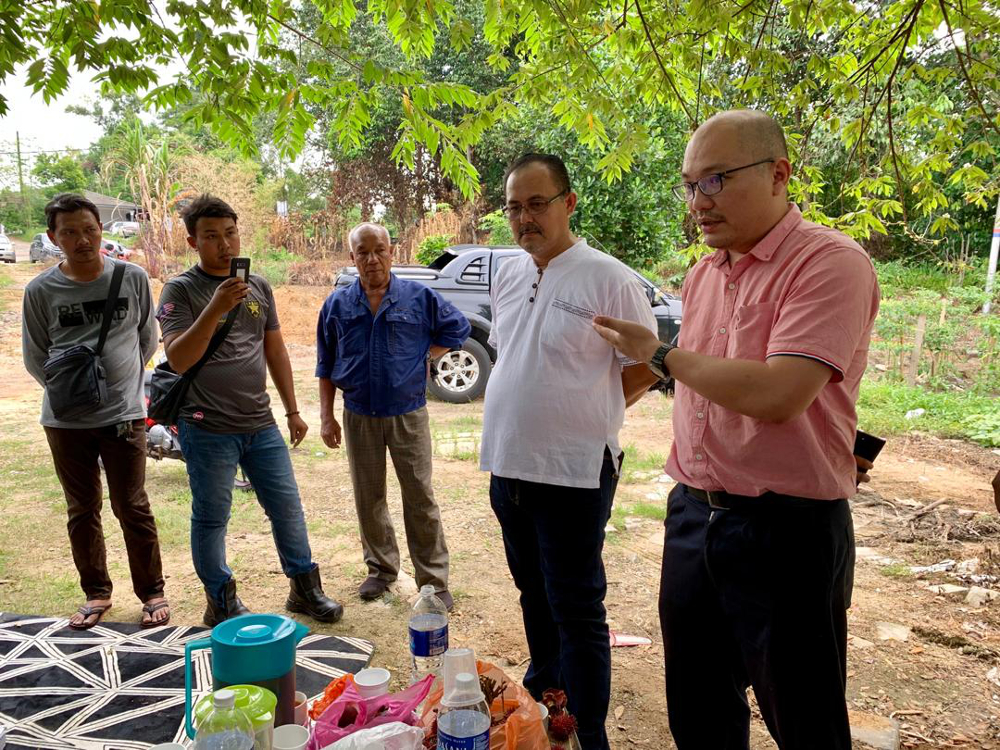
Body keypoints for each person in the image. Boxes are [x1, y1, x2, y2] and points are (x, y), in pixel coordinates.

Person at [592, 109, 880, 750]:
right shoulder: (704, 274)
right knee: (699, 712)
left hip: (788, 531)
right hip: (694, 516)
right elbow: (706, 383)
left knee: (804, 721)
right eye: (690, 184)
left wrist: (659, 354)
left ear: (779, 174)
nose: (698, 201)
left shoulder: (829, 262)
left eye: (716, 180)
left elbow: (779, 394)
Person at [479, 154, 660, 750]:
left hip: (574, 474)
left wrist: (591, 412)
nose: (524, 218)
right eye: (514, 207)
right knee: (533, 593)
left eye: (538, 204)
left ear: (569, 203)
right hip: (508, 466)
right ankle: (548, 697)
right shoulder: (507, 273)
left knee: (577, 608)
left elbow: (647, 365)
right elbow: (513, 354)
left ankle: (588, 732)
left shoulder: (609, 278)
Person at [157, 194, 343, 627]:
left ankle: (304, 587)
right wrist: (215, 307)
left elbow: (274, 349)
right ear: (192, 242)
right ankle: (220, 599)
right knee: (212, 516)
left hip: (260, 422)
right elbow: (178, 358)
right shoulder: (180, 290)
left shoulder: (258, 285)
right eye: (211, 236)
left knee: (287, 507)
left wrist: (293, 410)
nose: (224, 244)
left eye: (230, 233)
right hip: (206, 425)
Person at [22, 193, 169, 630]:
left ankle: (152, 591)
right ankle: (96, 592)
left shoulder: (131, 277)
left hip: (123, 415)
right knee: (82, 509)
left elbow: (146, 338)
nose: (82, 239)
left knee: (132, 505)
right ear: (53, 238)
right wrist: (75, 394)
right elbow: (36, 355)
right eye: (69, 232)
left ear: (101, 230)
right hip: (65, 421)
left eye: (89, 229)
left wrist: (118, 388)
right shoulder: (40, 290)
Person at [316, 223, 470, 609]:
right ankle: (382, 570)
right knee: (368, 497)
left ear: (391, 252)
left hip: (408, 414)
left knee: (419, 497)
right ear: (352, 258)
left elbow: (458, 327)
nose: (372, 259)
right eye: (363, 252)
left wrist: (426, 355)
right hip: (358, 415)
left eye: (379, 250)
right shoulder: (336, 305)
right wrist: (326, 417)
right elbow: (325, 363)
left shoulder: (419, 297)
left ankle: (433, 580)